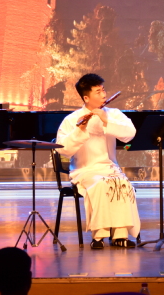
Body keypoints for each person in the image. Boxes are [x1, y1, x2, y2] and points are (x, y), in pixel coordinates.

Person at [56, 74, 140, 249]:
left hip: (110, 168)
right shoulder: (71, 119)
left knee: (122, 183)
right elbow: (63, 150)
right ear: (86, 97)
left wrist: (106, 120)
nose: (103, 94)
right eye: (98, 91)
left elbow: (130, 134)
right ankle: (99, 235)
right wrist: (79, 130)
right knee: (101, 184)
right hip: (85, 170)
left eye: (103, 90)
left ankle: (120, 235)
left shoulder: (113, 114)